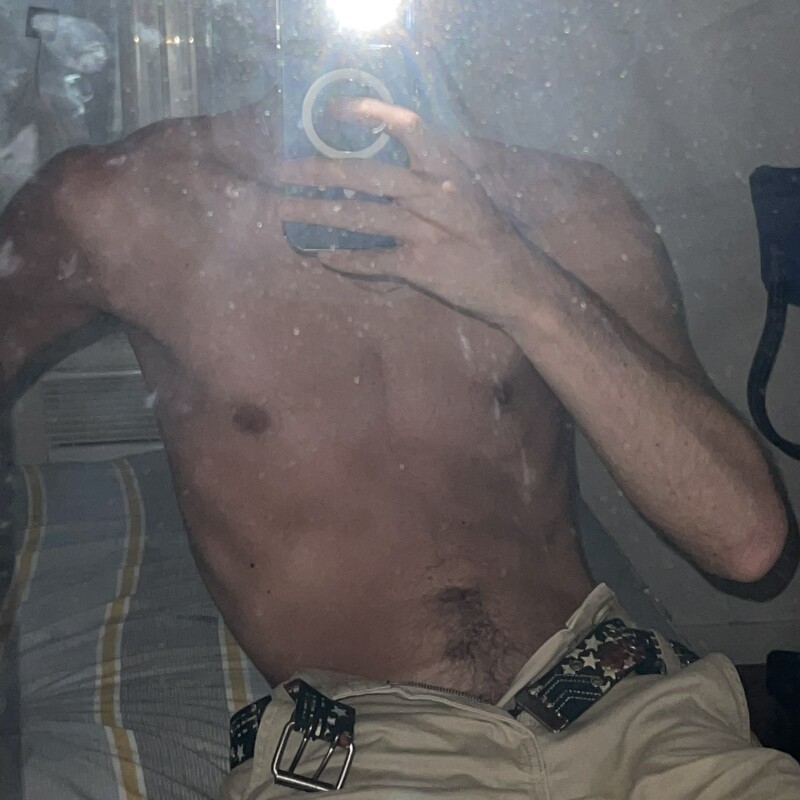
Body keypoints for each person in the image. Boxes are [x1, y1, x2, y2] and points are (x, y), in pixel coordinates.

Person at [1, 27, 799, 800]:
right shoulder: (118, 202)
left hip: (628, 708)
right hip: (367, 748)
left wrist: (521, 285)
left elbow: (747, 542)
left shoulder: (569, 204)